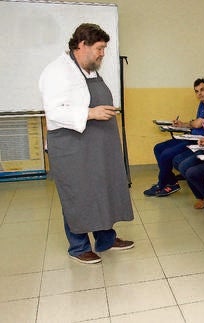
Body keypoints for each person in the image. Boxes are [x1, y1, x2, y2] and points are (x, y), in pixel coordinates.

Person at [38, 23, 134, 264]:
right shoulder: (57, 71)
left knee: (102, 189)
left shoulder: (90, 69)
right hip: (71, 146)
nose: (103, 53)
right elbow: (54, 112)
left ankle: (106, 239)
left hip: (98, 145)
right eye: (100, 48)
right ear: (82, 45)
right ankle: (78, 246)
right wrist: (90, 113)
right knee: (77, 194)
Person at [143, 78, 204, 197]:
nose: (199, 93)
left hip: (198, 139)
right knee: (158, 148)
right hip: (190, 135)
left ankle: (162, 184)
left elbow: (198, 124)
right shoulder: (202, 104)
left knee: (166, 154)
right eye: (196, 91)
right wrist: (182, 124)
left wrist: (190, 123)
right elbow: (196, 123)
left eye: (202, 90)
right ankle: (171, 182)